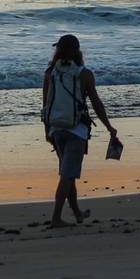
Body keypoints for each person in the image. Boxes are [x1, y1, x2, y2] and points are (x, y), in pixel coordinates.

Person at [42, 34, 117, 227]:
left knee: (68, 174)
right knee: (68, 175)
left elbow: (45, 105)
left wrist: (47, 131)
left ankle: (77, 213)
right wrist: (108, 126)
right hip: (76, 130)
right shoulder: (84, 73)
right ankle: (56, 217)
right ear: (78, 51)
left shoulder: (50, 73)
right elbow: (96, 104)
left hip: (56, 129)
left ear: (58, 51)